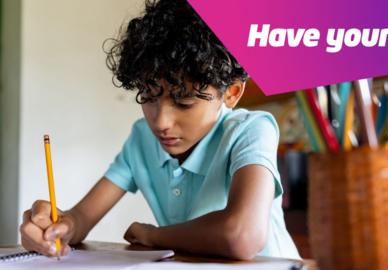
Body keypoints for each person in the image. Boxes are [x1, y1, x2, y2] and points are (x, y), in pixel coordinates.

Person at [19, 0, 300, 260]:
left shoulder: (251, 131)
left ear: (232, 93)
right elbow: (80, 219)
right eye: (148, 97)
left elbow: (242, 235)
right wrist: (57, 227)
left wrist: (154, 236)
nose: (161, 122)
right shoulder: (142, 139)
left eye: (184, 102)